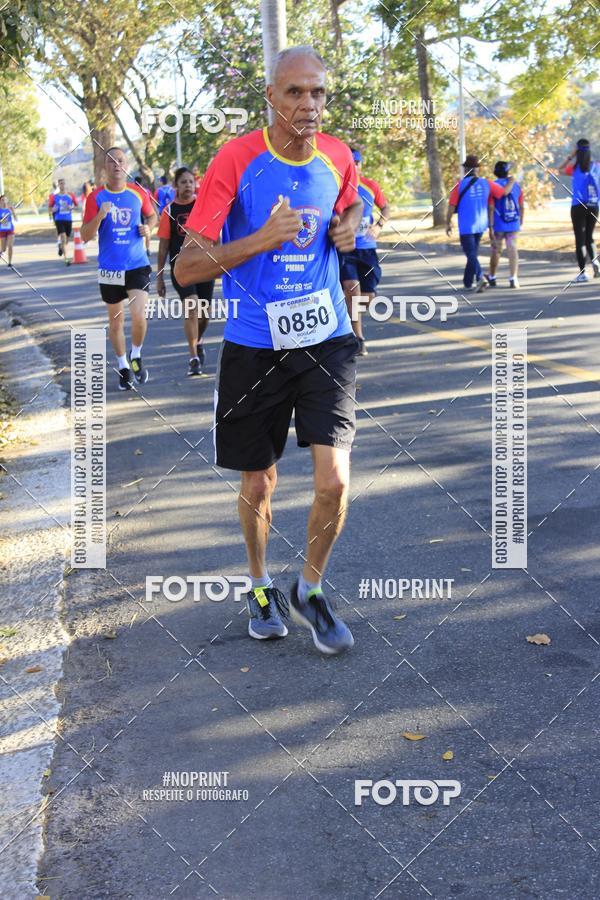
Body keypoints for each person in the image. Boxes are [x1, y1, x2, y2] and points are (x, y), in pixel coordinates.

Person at [175, 45, 362, 654]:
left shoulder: (338, 155)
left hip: (326, 336)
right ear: (270, 98)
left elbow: (351, 203)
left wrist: (352, 223)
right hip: (256, 345)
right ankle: (260, 586)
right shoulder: (236, 160)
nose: (308, 104)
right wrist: (261, 239)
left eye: (318, 92)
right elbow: (185, 268)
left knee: (334, 480)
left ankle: (310, 588)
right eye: (294, 92)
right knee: (259, 483)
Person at [81, 148, 156, 390]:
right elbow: (85, 235)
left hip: (137, 264)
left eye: (120, 160)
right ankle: (123, 366)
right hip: (110, 269)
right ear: (104, 167)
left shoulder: (137, 192)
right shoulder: (95, 198)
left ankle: (136, 354)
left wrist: (149, 228)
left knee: (139, 315)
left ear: (126, 165)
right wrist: (99, 216)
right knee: (116, 322)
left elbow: (152, 216)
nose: (116, 165)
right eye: (111, 161)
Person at [156, 167, 214, 376]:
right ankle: (193, 358)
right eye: (183, 182)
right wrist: (160, 278)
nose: (188, 185)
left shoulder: (203, 206)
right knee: (192, 305)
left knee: (205, 313)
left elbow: (214, 236)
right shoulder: (169, 211)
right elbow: (163, 246)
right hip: (181, 269)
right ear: (175, 186)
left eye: (191, 182)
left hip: (204, 266)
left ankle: (198, 340)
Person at [338, 148, 390, 355]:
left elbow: (386, 208)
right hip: (346, 249)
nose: (354, 166)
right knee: (352, 290)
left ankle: (347, 314)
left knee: (367, 296)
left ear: (361, 165)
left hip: (367, 249)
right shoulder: (337, 186)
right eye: (350, 163)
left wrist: (379, 226)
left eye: (357, 163)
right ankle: (358, 338)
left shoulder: (370, 186)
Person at [446, 155, 515, 292]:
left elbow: (451, 206)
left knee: (470, 253)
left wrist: (447, 222)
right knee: (472, 253)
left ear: (465, 169)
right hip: (481, 224)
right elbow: (503, 193)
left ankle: (480, 277)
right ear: (477, 169)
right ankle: (467, 282)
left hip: (466, 226)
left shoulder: (459, 185)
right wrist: (511, 180)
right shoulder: (486, 183)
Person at [559, 139, 600, 282]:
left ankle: (583, 273)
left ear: (577, 151)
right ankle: (595, 262)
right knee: (589, 237)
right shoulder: (596, 166)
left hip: (578, 206)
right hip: (594, 205)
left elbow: (559, 169)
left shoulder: (574, 168)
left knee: (580, 239)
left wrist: (571, 155)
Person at [486, 161, 524, 289]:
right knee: (512, 248)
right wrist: (521, 221)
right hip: (513, 223)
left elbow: (491, 207)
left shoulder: (492, 186)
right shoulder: (516, 186)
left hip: (498, 223)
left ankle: (492, 276)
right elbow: (521, 205)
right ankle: (513, 278)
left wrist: (490, 226)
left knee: (496, 250)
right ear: (508, 172)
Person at [48, 178, 79, 265]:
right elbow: (50, 207)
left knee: (67, 240)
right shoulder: (55, 197)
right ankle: (66, 259)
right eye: (60, 184)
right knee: (63, 237)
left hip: (68, 219)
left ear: (65, 185)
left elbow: (76, 205)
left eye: (63, 183)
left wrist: (72, 207)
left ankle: (61, 247)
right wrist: (53, 210)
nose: (62, 185)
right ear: (58, 185)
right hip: (59, 219)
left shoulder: (70, 195)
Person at [0, 195, 16, 266]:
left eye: (5, 200)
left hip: (10, 230)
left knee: (10, 246)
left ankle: (10, 262)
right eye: (2, 200)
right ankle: (1, 251)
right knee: (3, 249)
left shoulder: (9, 209)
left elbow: (16, 219)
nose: (4, 201)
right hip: (2, 230)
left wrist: (13, 211)